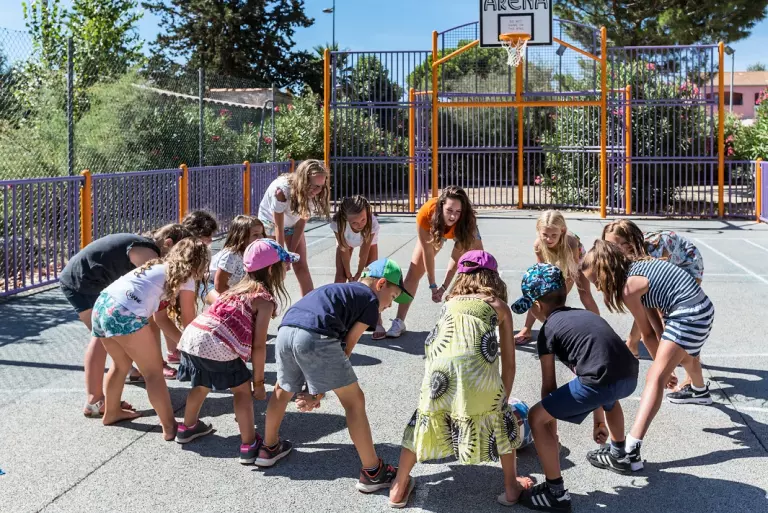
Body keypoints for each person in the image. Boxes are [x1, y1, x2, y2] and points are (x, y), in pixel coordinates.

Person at [388, 250, 532, 509]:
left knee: (424, 417)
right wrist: (503, 399)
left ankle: (399, 486)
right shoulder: (497, 305)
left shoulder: (450, 302)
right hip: (476, 373)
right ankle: (511, 487)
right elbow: (509, 363)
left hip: (439, 373)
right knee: (502, 420)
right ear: (493, 278)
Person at [256, 258, 412, 494]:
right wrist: (317, 392)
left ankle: (268, 448)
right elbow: (346, 348)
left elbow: (312, 349)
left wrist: (314, 390)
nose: (390, 305)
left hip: (286, 330)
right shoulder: (370, 301)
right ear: (380, 284)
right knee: (354, 401)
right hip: (315, 336)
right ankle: (373, 472)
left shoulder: (342, 290)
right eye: (392, 296)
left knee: (282, 389)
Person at [510, 263, 639, 512]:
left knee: (536, 417)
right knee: (608, 392)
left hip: (599, 380)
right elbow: (597, 368)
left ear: (536, 306)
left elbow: (549, 386)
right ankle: (620, 454)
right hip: (629, 376)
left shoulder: (548, 330)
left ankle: (555, 493)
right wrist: (598, 421)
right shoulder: (585, 315)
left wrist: (550, 429)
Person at [581, 241, 714, 468]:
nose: (599, 288)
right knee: (684, 357)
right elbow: (654, 331)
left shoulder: (629, 288)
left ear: (607, 271)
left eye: (597, 281)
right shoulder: (640, 269)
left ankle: (629, 450)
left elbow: (648, 333)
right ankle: (700, 391)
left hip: (689, 315)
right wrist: (666, 367)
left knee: (654, 377)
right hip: (701, 310)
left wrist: (662, 372)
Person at [175, 239, 295, 464]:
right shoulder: (263, 300)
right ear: (271, 269)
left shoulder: (235, 289)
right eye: (284, 264)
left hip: (193, 337)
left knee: (200, 384)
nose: (287, 268)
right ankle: (249, 444)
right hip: (216, 343)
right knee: (242, 391)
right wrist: (259, 383)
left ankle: (187, 427)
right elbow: (259, 345)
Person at [59, 223, 191, 417]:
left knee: (113, 335)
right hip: (84, 281)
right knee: (102, 337)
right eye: (181, 254)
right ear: (169, 243)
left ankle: (127, 376)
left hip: (91, 279)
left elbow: (155, 315)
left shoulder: (148, 249)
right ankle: (95, 400)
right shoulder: (150, 254)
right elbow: (156, 312)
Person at [91, 238, 210, 440]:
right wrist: (199, 348)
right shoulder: (187, 277)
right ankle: (170, 427)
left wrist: (184, 345)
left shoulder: (158, 267)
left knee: (120, 365)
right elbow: (189, 320)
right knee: (153, 373)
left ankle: (111, 413)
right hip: (125, 312)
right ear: (199, 263)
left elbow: (161, 319)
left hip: (102, 304)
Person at [601, 220, 704, 391]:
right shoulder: (627, 256)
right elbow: (643, 307)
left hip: (688, 262)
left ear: (630, 243)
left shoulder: (650, 253)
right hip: (668, 259)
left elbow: (651, 315)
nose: (608, 250)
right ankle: (633, 345)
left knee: (683, 321)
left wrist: (662, 363)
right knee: (648, 308)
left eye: (614, 246)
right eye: (607, 245)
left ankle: (690, 376)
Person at [385, 186, 483, 338]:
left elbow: (456, 258)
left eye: (458, 211)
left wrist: (444, 287)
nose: (453, 216)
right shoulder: (425, 214)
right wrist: (432, 285)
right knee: (414, 272)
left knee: (480, 267)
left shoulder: (467, 220)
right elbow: (428, 253)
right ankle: (399, 321)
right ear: (441, 205)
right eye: (449, 210)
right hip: (436, 228)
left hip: (461, 228)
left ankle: (483, 321)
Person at [257, 159, 330, 297]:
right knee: (271, 268)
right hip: (271, 223)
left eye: (320, 186)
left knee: (300, 263)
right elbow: (278, 226)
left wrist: (289, 254)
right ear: (303, 181)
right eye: (314, 186)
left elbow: (300, 224)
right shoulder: (282, 190)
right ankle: (262, 302)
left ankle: (310, 304)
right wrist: (281, 257)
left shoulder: (314, 194)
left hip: (293, 223)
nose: (317, 190)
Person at [331, 195, 384, 339]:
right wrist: (349, 274)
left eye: (362, 220)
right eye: (354, 222)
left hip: (368, 243)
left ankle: (377, 320)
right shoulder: (338, 223)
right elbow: (343, 248)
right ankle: (334, 318)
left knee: (372, 276)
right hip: (346, 242)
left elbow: (364, 252)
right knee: (340, 276)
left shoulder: (371, 223)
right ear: (345, 218)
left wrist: (359, 273)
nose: (359, 224)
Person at [204, 215, 265, 303]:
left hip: (232, 286)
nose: (260, 238)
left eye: (261, 233)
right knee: (226, 304)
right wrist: (240, 299)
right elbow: (219, 286)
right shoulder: (231, 255)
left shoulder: (255, 252)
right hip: (209, 283)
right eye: (255, 235)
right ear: (242, 237)